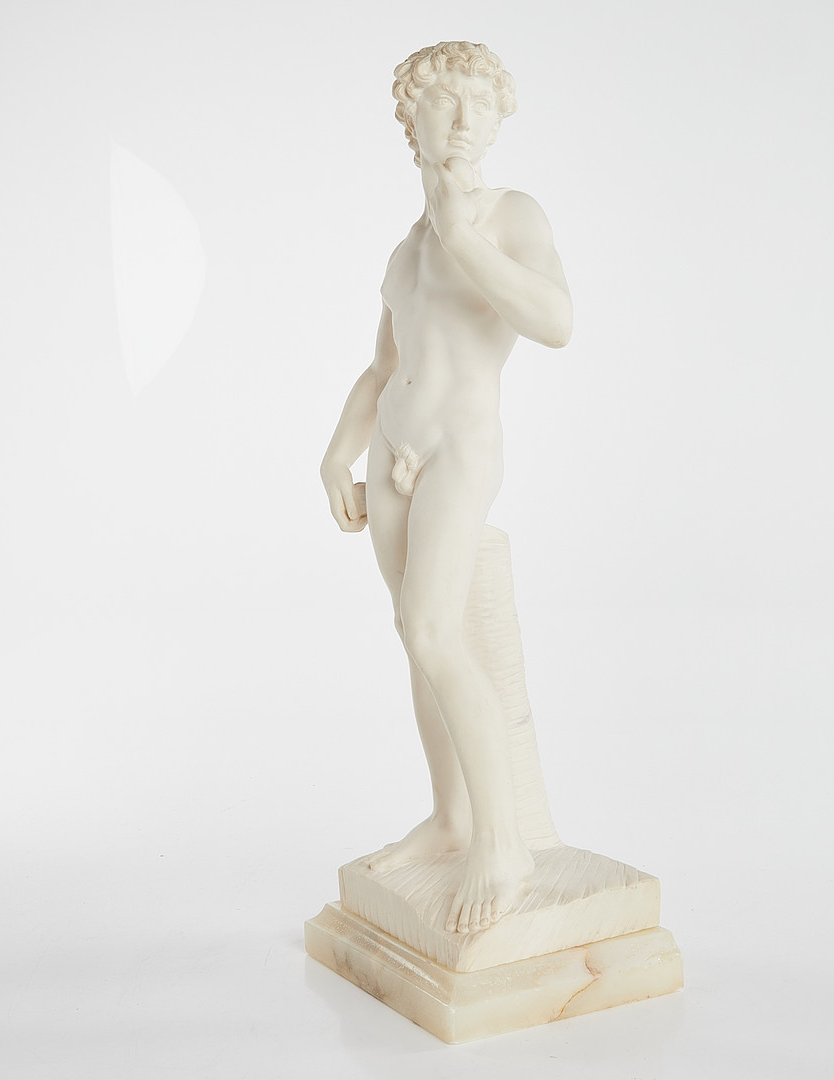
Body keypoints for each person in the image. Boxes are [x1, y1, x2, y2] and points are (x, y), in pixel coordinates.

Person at [320, 42, 572, 935]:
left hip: (460, 448)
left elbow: (556, 322)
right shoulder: (406, 248)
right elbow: (381, 366)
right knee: (415, 638)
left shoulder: (509, 216)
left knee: (434, 630)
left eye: (480, 105)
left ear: (499, 123)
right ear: (411, 119)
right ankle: (451, 818)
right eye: (443, 102)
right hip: (395, 449)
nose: (463, 121)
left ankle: (502, 843)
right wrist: (337, 454)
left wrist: (466, 238)